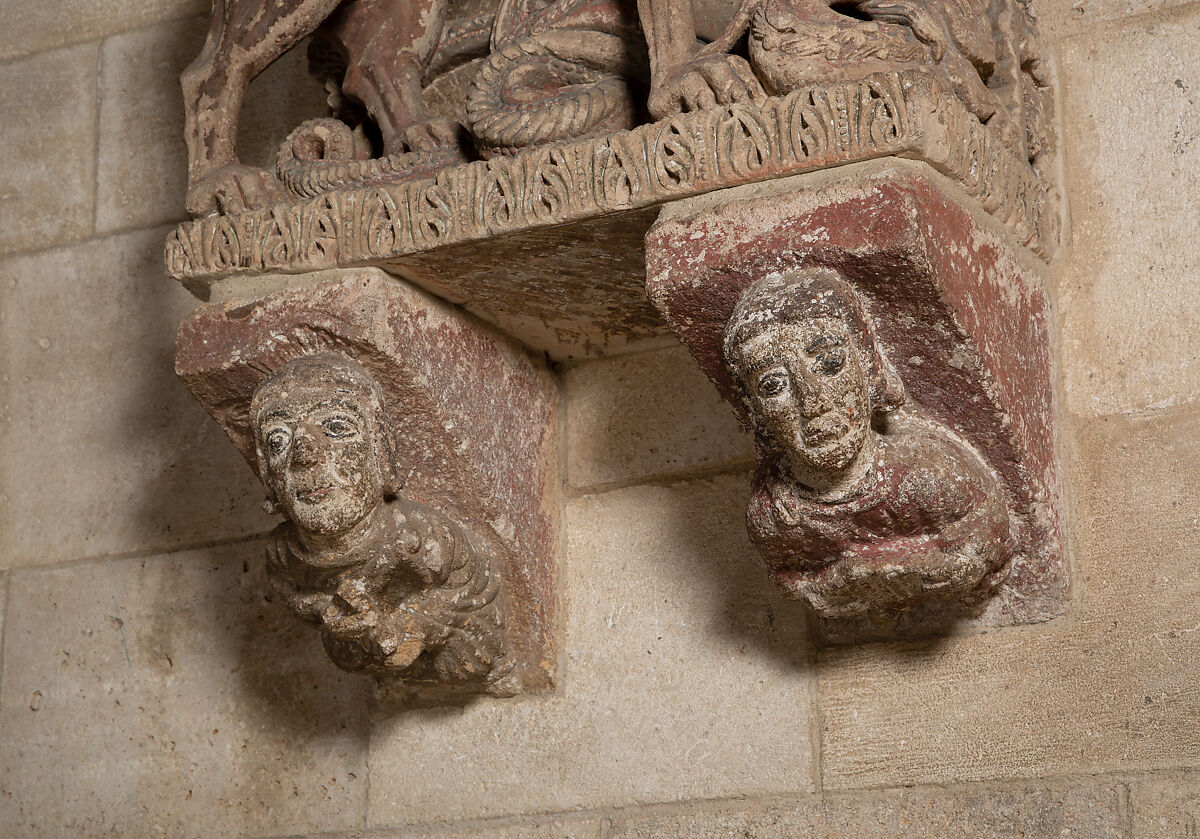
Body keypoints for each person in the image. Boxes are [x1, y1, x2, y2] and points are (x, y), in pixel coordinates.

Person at [723, 268, 1013, 617]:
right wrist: (833, 586)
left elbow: (990, 537)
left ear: (870, 368)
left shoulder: (927, 475)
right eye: (773, 385)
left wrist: (956, 569)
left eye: (830, 363)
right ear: (756, 413)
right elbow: (791, 579)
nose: (813, 401)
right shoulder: (775, 516)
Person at [250, 353, 506, 686]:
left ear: (381, 453)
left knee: (464, 664)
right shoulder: (284, 552)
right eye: (278, 441)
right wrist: (328, 611)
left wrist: (406, 626)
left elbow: (469, 592)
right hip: (359, 650)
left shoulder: (414, 533)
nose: (303, 455)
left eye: (337, 428)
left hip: (456, 647)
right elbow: (295, 596)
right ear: (268, 478)